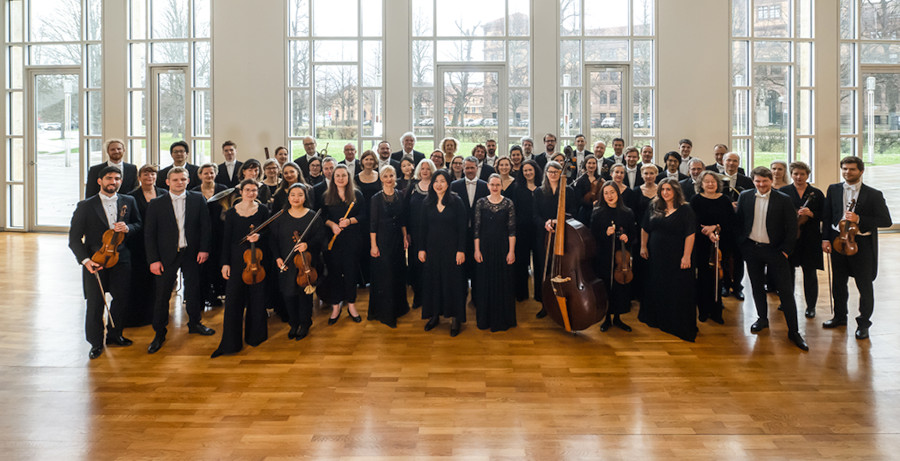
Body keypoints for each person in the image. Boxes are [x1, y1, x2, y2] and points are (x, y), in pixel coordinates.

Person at [68, 166, 142, 359]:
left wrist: (128, 227)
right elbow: (74, 239)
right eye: (109, 178)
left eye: (117, 178)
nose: (113, 182)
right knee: (95, 303)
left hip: (121, 258)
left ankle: (115, 335)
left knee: (121, 300)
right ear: (99, 181)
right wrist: (86, 261)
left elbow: (138, 224)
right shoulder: (85, 205)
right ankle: (95, 342)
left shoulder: (129, 200)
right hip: (96, 260)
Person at [735, 166, 807, 351]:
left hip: (776, 251)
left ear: (771, 181)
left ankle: (794, 331)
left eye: (765, 181)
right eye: (758, 181)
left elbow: (792, 228)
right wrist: (743, 245)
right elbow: (740, 221)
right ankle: (762, 319)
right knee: (757, 287)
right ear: (753, 181)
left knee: (786, 292)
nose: (761, 185)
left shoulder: (783, 199)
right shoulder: (745, 196)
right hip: (752, 249)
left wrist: (785, 251)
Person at [143, 167, 214, 354]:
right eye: (175, 180)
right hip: (165, 256)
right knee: (163, 294)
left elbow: (206, 227)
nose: (179, 182)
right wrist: (153, 260)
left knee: (194, 290)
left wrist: (204, 249)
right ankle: (159, 332)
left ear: (188, 180)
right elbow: (149, 235)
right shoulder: (156, 203)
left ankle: (195, 323)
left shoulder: (198, 199)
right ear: (167, 182)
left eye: (183, 179)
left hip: (191, 252)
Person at [821, 156, 892, 340]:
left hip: (862, 245)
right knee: (838, 283)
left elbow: (886, 220)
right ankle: (839, 317)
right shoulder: (834, 189)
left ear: (861, 171)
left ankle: (863, 323)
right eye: (844, 168)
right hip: (838, 242)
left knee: (864, 286)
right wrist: (825, 239)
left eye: (852, 169)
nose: (847, 172)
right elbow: (827, 216)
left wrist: (859, 219)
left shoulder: (873, 194)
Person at [210, 179, 270, 358]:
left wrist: (259, 235)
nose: (251, 193)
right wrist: (225, 263)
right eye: (248, 190)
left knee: (257, 298)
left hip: (257, 259)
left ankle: (256, 336)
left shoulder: (263, 210)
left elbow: (269, 232)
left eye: (254, 190)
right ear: (241, 192)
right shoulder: (231, 213)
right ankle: (230, 343)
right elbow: (226, 240)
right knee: (233, 301)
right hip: (236, 260)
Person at [639, 178, 697, 342]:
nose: (665, 192)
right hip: (656, 255)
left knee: (676, 287)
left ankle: (673, 322)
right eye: (663, 189)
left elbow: (690, 234)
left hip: (676, 255)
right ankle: (658, 319)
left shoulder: (685, 209)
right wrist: (643, 246)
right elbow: (645, 227)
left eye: (668, 189)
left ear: (676, 191)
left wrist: (686, 256)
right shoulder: (654, 205)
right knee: (657, 284)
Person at [270, 183, 326, 340]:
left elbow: (320, 237)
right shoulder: (280, 217)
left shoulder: (312, 216)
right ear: (288, 197)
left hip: (306, 263)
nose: (296, 198)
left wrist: (307, 244)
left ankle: (305, 324)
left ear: (305, 197)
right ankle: (293, 324)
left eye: (300, 195)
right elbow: (273, 240)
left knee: (304, 296)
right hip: (286, 262)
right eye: (293, 195)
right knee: (288, 294)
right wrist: (278, 258)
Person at [418, 169, 467, 337]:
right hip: (432, 249)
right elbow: (422, 228)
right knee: (433, 282)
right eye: (436, 181)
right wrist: (421, 249)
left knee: (452, 283)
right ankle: (434, 315)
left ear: (448, 183)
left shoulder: (456, 201)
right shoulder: (427, 202)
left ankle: (455, 318)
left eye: (442, 181)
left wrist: (461, 250)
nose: (439, 185)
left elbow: (462, 229)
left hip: (452, 250)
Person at [320, 165, 366, 324]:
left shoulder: (357, 195)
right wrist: (332, 225)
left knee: (351, 273)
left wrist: (349, 221)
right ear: (333, 178)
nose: (340, 178)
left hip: (352, 240)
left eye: (344, 176)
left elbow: (364, 215)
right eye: (337, 176)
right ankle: (335, 307)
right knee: (334, 274)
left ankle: (351, 306)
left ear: (348, 177)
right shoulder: (326, 195)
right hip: (333, 242)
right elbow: (321, 217)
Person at [368, 165, 410, 328]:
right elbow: (372, 224)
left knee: (398, 273)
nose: (389, 179)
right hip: (382, 240)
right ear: (381, 178)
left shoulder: (400, 194)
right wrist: (373, 245)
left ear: (395, 177)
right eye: (385, 176)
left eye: (391, 175)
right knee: (386, 276)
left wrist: (405, 236)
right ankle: (385, 313)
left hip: (397, 240)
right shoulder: (376, 198)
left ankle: (399, 309)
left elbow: (402, 219)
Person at [473, 174, 517, 332]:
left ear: (502, 186)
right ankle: (486, 318)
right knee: (485, 281)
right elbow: (476, 230)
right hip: (484, 247)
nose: (495, 187)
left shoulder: (508, 203)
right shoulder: (481, 203)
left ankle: (503, 319)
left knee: (503, 282)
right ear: (488, 186)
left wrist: (511, 251)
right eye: (492, 184)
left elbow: (512, 231)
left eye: (498, 184)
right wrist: (476, 250)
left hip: (503, 247)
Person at [689, 171, 734, 325]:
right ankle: (703, 310)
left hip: (721, 243)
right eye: (706, 181)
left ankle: (716, 311)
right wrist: (707, 232)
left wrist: (716, 227)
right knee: (702, 277)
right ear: (701, 184)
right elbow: (693, 222)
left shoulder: (725, 200)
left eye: (713, 181)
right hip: (702, 243)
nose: (710, 184)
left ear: (718, 183)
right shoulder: (695, 200)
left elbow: (730, 222)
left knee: (717, 277)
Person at [590, 181, 636, 333]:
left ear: (618, 193)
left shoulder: (627, 212)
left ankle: (618, 318)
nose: (609, 196)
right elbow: (592, 236)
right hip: (603, 256)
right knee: (605, 286)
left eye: (612, 192)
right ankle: (607, 318)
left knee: (620, 287)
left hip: (621, 258)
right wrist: (605, 233)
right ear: (602, 195)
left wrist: (626, 238)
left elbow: (633, 235)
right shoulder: (597, 212)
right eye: (606, 193)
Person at [780, 161, 823, 319]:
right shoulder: (784, 191)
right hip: (789, 238)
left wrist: (811, 214)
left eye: (802, 174)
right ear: (791, 175)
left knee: (810, 273)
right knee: (787, 273)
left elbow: (825, 214)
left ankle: (811, 306)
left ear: (807, 175)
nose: (799, 177)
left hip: (810, 239)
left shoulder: (816, 193)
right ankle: (787, 302)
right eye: (795, 174)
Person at [125, 165, 167, 328]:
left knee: (158, 282)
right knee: (139, 279)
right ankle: (138, 316)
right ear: (139, 177)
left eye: (152, 174)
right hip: (138, 243)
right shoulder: (131, 197)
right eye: (146, 174)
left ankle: (155, 315)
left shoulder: (164, 193)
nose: (149, 176)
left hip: (160, 243)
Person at [533, 161, 576, 312]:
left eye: (556, 172)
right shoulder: (539, 191)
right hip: (544, 234)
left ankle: (562, 300)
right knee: (543, 268)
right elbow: (535, 214)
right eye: (550, 172)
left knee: (561, 268)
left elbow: (574, 211)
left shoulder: (569, 191)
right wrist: (545, 223)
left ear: (560, 173)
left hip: (563, 234)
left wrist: (560, 220)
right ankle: (545, 303)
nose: (553, 175)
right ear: (545, 173)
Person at [450, 156, 489, 299]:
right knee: (461, 264)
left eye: (472, 167)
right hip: (460, 233)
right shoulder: (454, 185)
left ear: (477, 168)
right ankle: (462, 293)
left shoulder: (486, 186)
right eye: (467, 167)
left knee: (478, 264)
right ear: (463, 168)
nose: (470, 170)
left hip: (480, 233)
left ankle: (477, 295)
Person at [192, 163, 228, 308]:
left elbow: (227, 210)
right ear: (200, 175)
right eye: (205, 173)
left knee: (217, 263)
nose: (209, 176)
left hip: (220, 232)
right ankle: (205, 295)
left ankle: (218, 294)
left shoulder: (223, 190)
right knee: (203, 267)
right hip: (200, 234)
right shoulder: (194, 192)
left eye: (212, 173)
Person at [720, 152, 753, 300]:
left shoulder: (747, 181)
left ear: (738, 163)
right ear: (723, 161)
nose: (731, 164)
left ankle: (738, 287)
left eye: (734, 161)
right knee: (724, 256)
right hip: (723, 225)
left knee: (739, 257)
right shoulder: (716, 179)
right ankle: (725, 285)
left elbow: (752, 200)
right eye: (728, 160)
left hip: (740, 225)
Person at [405, 159, 436, 310]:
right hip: (415, 234)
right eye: (422, 168)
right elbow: (405, 211)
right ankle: (418, 298)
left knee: (431, 266)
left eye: (428, 169)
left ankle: (431, 298)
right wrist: (407, 233)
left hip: (433, 234)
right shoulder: (412, 187)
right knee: (416, 265)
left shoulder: (437, 187)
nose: (425, 171)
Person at [629, 163, 659, 304]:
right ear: (641, 175)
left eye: (651, 173)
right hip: (640, 231)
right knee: (640, 263)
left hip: (658, 232)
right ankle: (640, 293)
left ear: (656, 174)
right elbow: (632, 213)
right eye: (646, 173)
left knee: (655, 263)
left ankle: (654, 292)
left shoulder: (663, 191)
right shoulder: (635, 191)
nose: (649, 176)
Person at [512, 160, 541, 302]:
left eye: (530, 170)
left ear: (535, 170)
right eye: (525, 171)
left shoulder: (542, 187)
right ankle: (521, 293)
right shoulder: (517, 188)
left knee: (539, 263)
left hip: (538, 230)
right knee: (521, 262)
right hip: (522, 230)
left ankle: (539, 295)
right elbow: (515, 210)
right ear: (522, 173)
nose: (528, 173)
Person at [573, 154, 602, 226]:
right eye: (589, 163)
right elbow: (578, 199)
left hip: (598, 212)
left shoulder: (600, 179)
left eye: (593, 163)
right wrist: (591, 204)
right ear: (585, 165)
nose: (591, 165)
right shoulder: (581, 180)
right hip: (584, 212)